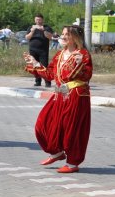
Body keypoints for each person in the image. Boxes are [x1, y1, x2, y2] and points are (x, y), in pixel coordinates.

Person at [23, 25, 92, 173]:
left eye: (66, 34)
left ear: (75, 37)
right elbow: (50, 75)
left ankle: (73, 163)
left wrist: (80, 64)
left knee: (72, 129)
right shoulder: (60, 54)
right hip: (60, 94)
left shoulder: (83, 54)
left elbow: (86, 76)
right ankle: (56, 152)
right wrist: (35, 63)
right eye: (62, 34)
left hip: (76, 96)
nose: (63, 36)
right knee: (44, 123)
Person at [25, 14, 54, 87]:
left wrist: (43, 30)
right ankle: (38, 81)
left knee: (44, 66)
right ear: (34, 20)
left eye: (39, 19)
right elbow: (27, 37)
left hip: (43, 50)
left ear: (42, 20)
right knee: (34, 66)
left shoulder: (46, 27)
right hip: (33, 49)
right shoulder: (31, 27)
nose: (38, 21)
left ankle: (47, 82)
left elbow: (50, 37)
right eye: (36, 19)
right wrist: (32, 32)